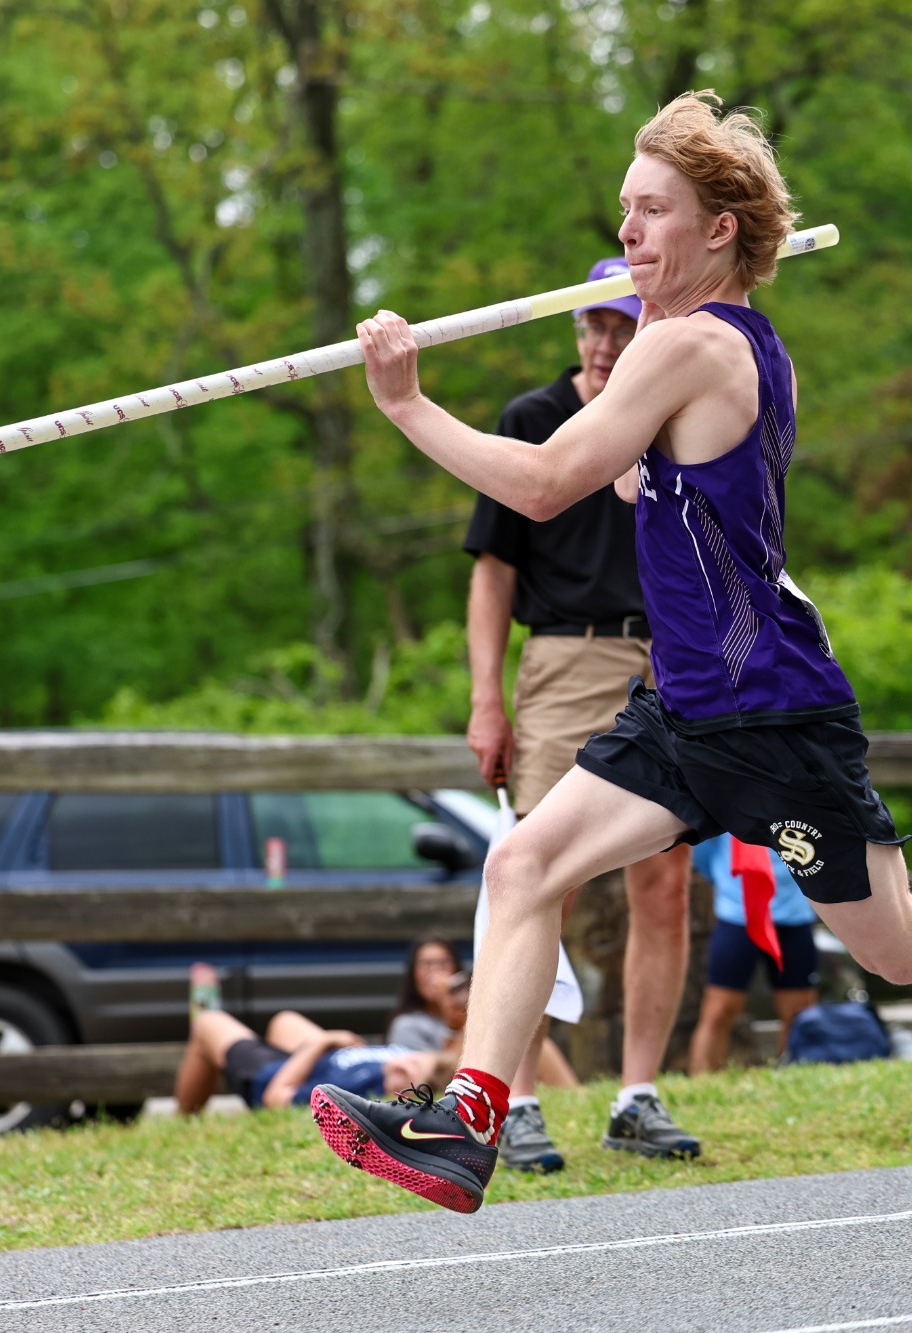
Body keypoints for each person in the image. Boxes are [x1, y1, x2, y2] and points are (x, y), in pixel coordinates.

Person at [311, 89, 912, 1215]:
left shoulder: (693, 343)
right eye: (622, 212)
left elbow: (546, 484)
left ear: (720, 230)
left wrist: (406, 405)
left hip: (772, 713)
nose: (627, 233)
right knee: (522, 865)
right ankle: (469, 1123)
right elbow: (636, 484)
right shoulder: (721, 343)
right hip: (686, 709)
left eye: (652, 211)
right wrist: (621, 405)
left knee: (903, 947)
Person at [463, 256, 699, 1172]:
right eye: (593, 324)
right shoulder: (532, 418)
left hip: (668, 658)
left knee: (665, 882)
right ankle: (516, 1098)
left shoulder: (674, 414)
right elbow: (493, 573)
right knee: (534, 875)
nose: (605, 342)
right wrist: (487, 699)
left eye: (622, 325)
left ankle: (637, 1094)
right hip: (565, 656)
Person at [173, 963, 454, 1113]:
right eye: (410, 1060)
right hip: (322, 1058)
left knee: (207, 1023)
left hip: (276, 1073)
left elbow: (275, 1098)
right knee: (284, 1020)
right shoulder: (404, 1059)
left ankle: (184, 1117)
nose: (400, 1065)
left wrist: (322, 1042)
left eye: (405, 1076)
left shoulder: (356, 1092)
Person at [687, 836, 819, 1072]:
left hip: (794, 915)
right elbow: (701, 849)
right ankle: (702, 1082)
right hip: (737, 914)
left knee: (798, 1013)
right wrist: (725, 877)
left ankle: (792, 1077)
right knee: (718, 1010)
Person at [387, 936, 465, 1051]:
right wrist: (453, 1027)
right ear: (413, 974)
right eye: (426, 964)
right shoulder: (406, 1026)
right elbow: (446, 1062)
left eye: (444, 963)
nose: (435, 972)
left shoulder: (472, 1018)